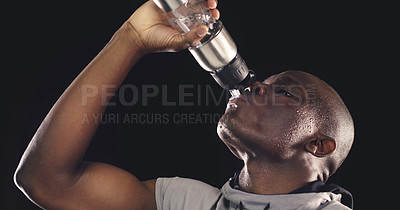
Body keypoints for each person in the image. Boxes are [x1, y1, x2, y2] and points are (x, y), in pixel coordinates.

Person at [14, 1, 354, 209]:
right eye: (264, 82)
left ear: (318, 145)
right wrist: (131, 38)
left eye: (287, 93)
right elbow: (45, 180)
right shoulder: (187, 202)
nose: (257, 87)